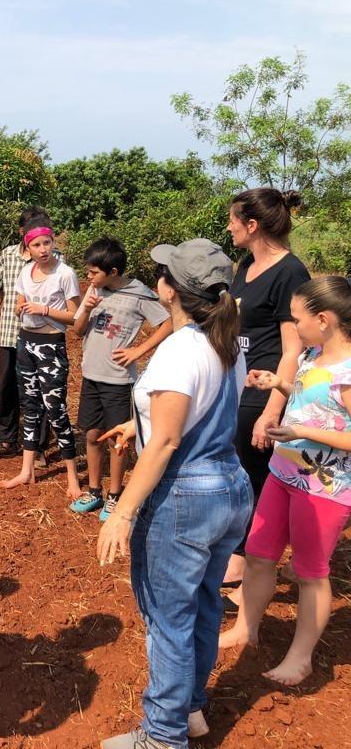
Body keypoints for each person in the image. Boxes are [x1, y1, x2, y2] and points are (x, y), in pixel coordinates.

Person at [96, 239, 253, 749]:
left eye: (162, 274)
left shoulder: (178, 349)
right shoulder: (224, 341)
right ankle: (190, 710)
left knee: (168, 619)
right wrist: (135, 422)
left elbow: (166, 442)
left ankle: (162, 736)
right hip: (228, 487)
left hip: (185, 496)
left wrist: (121, 513)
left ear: (169, 292)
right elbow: (190, 415)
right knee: (205, 604)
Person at [219, 276, 351, 687]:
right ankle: (247, 627)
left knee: (311, 572)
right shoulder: (314, 355)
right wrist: (279, 384)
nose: (293, 327)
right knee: (259, 554)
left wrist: (301, 433)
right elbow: (315, 399)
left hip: (323, 489)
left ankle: (301, 657)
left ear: (324, 320)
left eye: (298, 319)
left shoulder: (348, 370)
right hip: (283, 473)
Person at [224, 188, 311, 609]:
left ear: (252, 225)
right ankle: (243, 556)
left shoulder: (290, 273)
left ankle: (258, 569)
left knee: (259, 481)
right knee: (243, 475)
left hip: (264, 393)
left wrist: (272, 411)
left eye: (233, 220)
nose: (229, 227)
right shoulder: (246, 264)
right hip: (239, 384)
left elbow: (293, 348)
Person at [70, 237, 172, 520]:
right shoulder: (94, 291)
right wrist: (87, 309)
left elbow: (167, 323)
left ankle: (115, 495)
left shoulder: (139, 294)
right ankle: (94, 491)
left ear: (113, 272)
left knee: (117, 439)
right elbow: (78, 331)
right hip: (91, 374)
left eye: (93, 273)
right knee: (91, 434)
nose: (88, 277)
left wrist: (138, 350)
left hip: (118, 380)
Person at [0, 223, 83, 498]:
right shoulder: (25, 271)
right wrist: (20, 306)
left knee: (55, 409)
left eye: (46, 243)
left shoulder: (65, 274)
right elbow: (18, 301)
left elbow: (75, 315)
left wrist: (45, 309)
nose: (42, 249)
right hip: (25, 343)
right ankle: (26, 471)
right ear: (28, 248)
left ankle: (72, 477)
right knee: (30, 407)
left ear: (52, 242)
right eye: (36, 245)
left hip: (51, 347)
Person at [0, 207, 52, 463]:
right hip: (10, 334)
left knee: (39, 389)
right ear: (22, 233)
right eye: (32, 233)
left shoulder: (55, 258)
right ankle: (5, 440)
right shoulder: (9, 255)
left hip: (42, 336)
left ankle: (39, 447)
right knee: (6, 388)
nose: (41, 244)